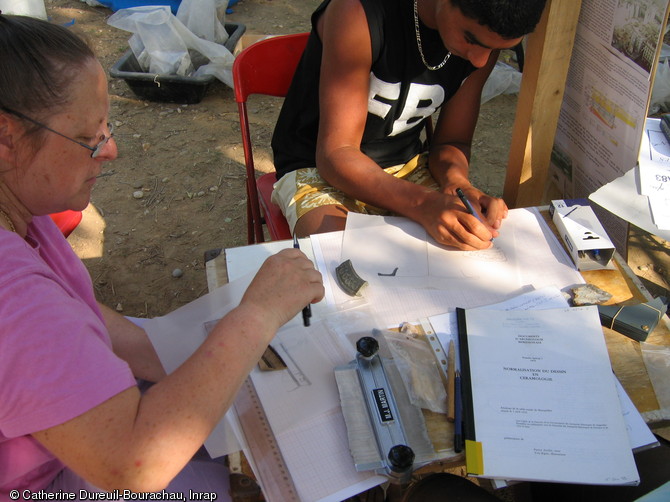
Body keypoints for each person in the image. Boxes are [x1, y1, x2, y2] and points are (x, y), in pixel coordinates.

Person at [0, 13, 324, 500]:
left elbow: (82, 315)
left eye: (107, 126)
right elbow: (134, 465)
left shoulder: (23, 211)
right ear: (5, 140)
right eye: (90, 138)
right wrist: (257, 315)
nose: (111, 151)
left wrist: (198, 361)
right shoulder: (16, 299)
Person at [271, 0, 547, 250]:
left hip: (406, 164)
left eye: (497, 49)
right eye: (471, 38)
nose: (480, 60)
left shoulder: (484, 39)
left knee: (464, 251)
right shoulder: (358, 12)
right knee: (339, 258)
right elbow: (336, 154)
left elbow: (453, 142)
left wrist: (459, 184)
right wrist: (423, 203)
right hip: (316, 166)